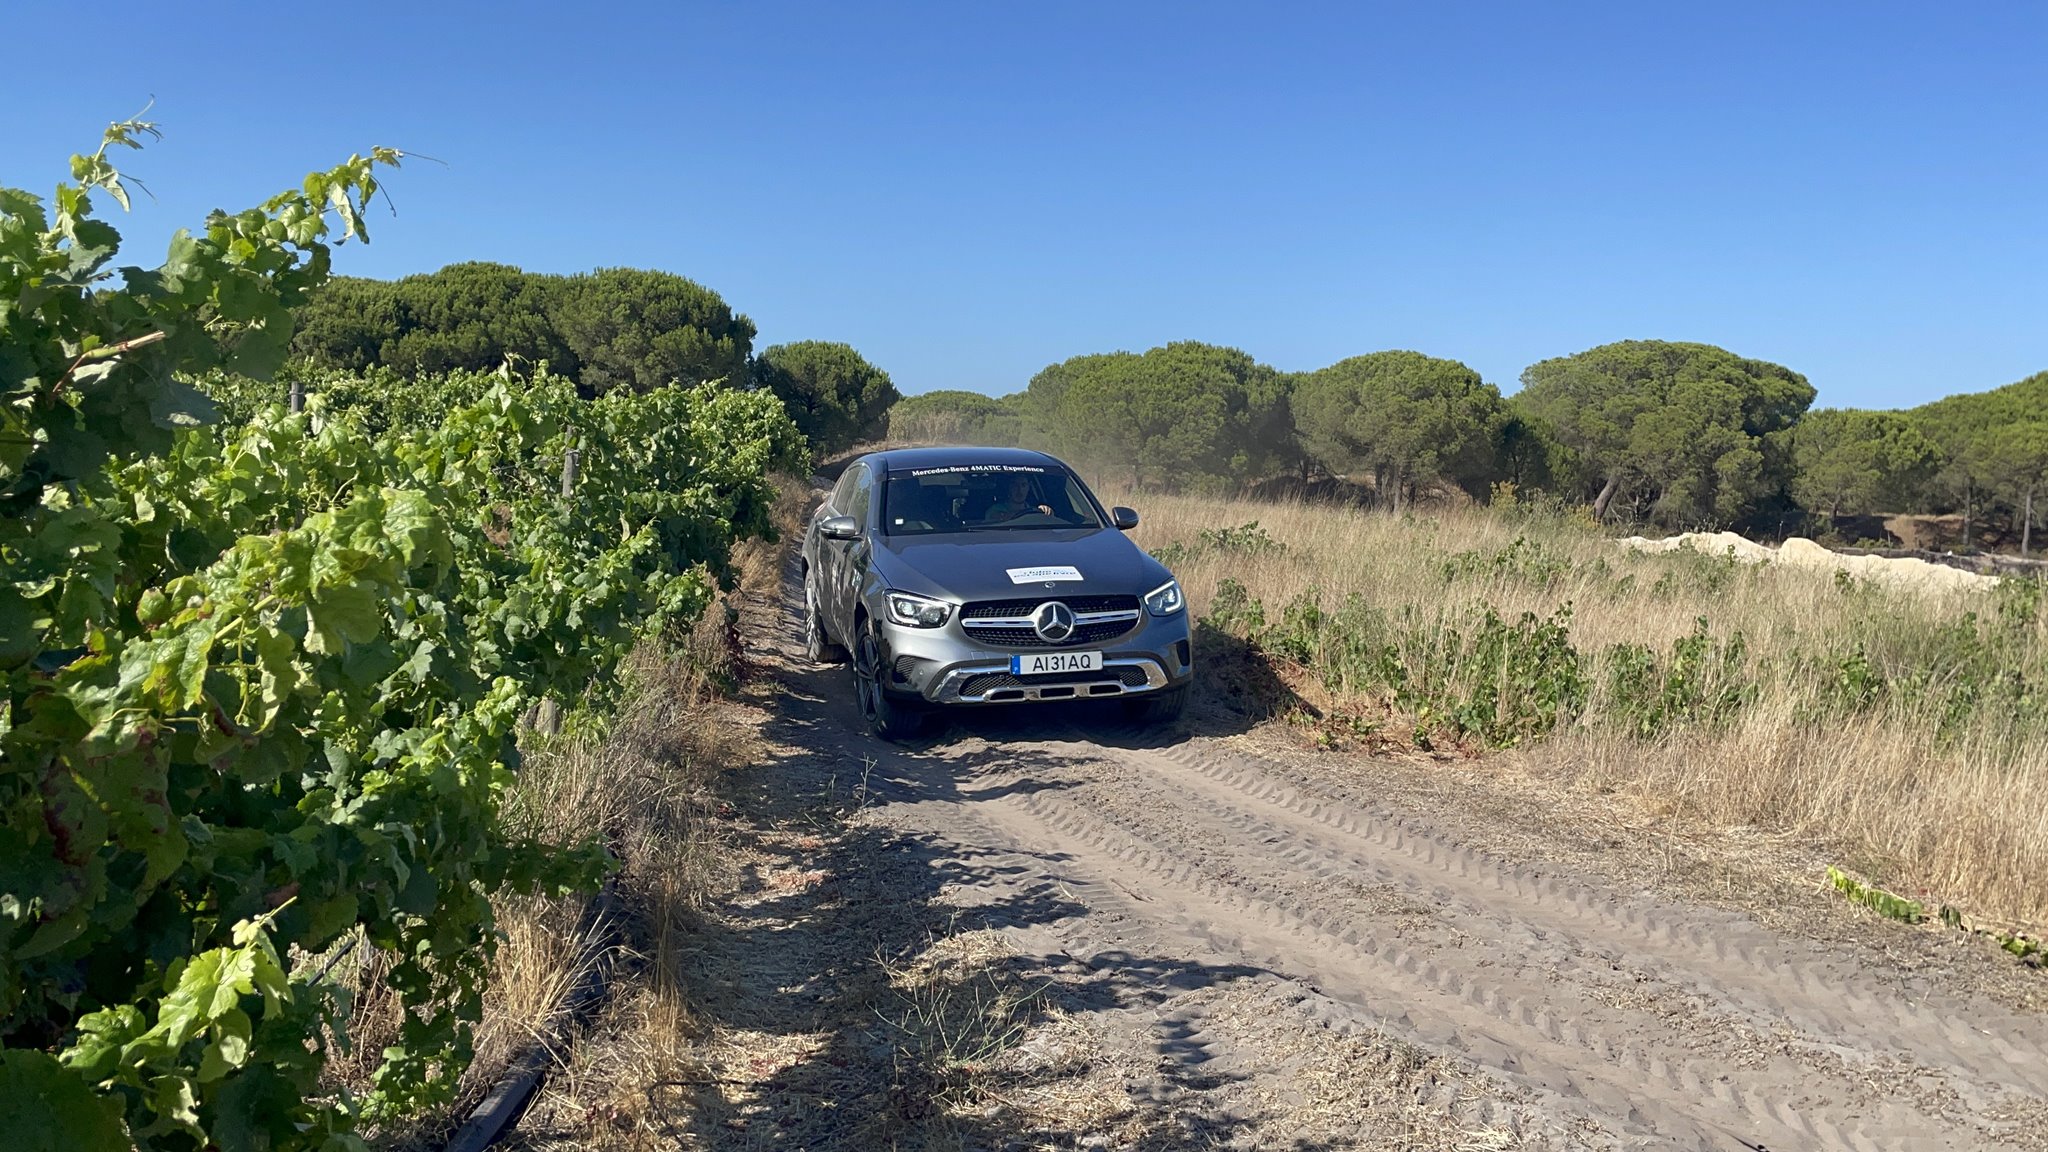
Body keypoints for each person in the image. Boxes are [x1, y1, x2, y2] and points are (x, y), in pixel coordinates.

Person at [984, 474, 1052, 521]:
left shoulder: (1034, 510)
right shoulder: (995, 510)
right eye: (1015, 485)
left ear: (1028, 487)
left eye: (1023, 485)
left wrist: (1046, 512)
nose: (1019, 490)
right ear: (1009, 488)